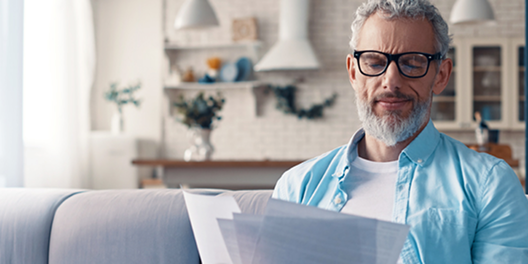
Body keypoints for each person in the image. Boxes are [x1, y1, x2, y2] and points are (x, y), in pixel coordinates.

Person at [272, 0, 528, 263]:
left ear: (441, 75)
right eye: (373, 62)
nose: (391, 80)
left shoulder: (491, 185)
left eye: (413, 63)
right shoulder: (297, 187)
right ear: (352, 72)